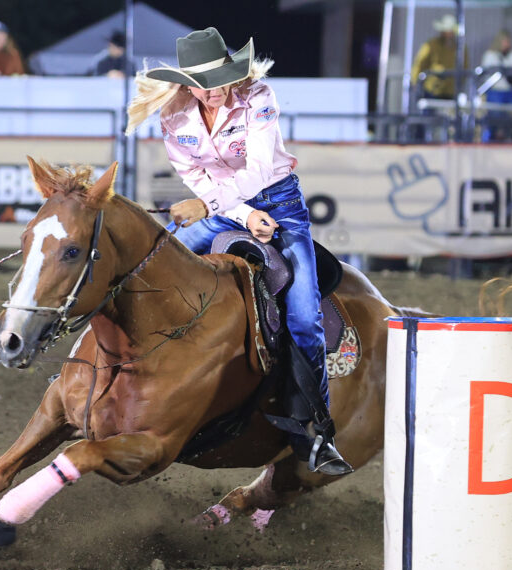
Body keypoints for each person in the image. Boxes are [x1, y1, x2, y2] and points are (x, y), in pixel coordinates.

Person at [125, 27, 351, 476]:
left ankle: (318, 433)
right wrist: (241, 215)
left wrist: (214, 206)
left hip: (280, 206)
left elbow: (261, 169)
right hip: (232, 210)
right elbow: (196, 174)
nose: (214, 93)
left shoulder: (259, 97)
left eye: (220, 81)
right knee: (144, 272)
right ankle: (108, 373)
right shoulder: (174, 115)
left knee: (304, 315)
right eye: (204, 84)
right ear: (187, 84)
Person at [411, 14, 469, 100]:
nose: (448, 34)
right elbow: (419, 63)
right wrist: (415, 81)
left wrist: (461, 84)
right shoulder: (431, 45)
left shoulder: (461, 47)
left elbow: (465, 66)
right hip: (432, 90)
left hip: (452, 91)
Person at [480, 29, 512, 142]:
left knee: (509, 120)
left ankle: (508, 140)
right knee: (494, 119)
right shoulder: (490, 55)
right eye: (504, 41)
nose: (506, 44)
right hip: (496, 92)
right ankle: (490, 140)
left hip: (510, 92)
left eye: (508, 42)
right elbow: (486, 75)